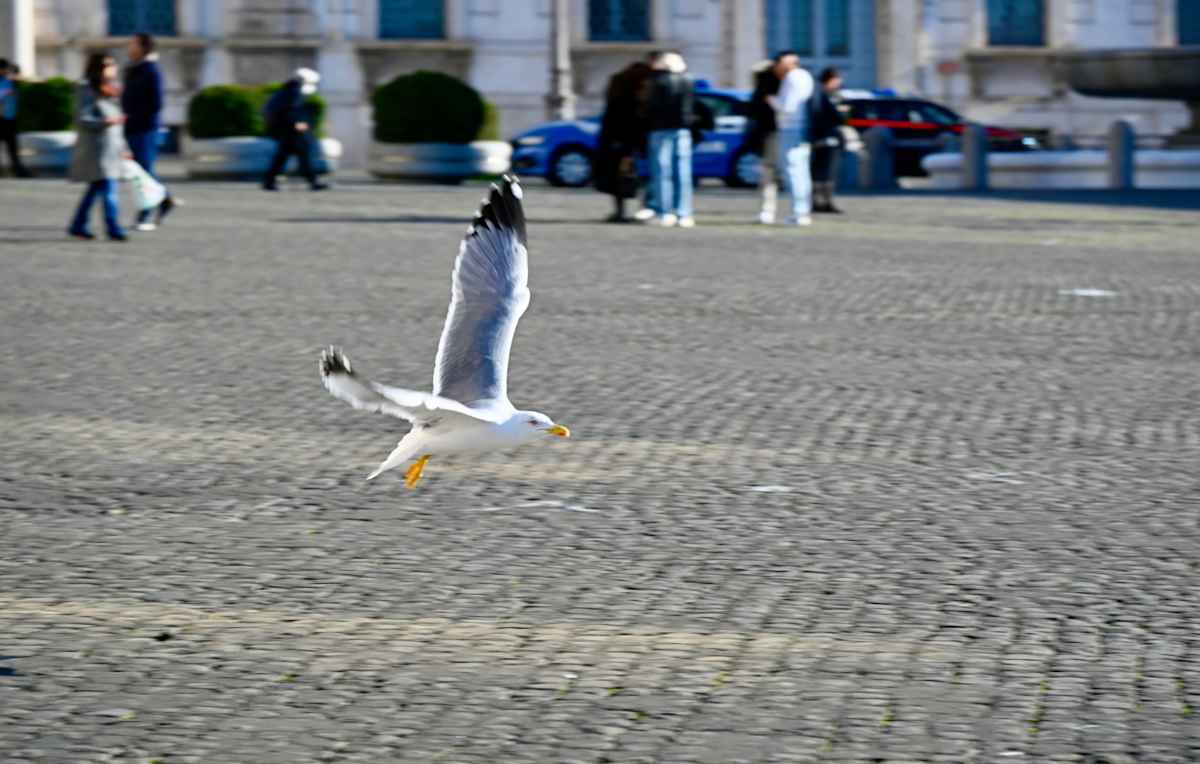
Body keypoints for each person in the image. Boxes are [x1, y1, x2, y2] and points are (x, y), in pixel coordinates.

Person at [68, 53, 128, 241]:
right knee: (108, 189)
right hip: (97, 149)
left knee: (96, 189)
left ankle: (78, 225)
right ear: (98, 68)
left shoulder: (112, 88)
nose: (113, 68)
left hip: (112, 147)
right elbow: (82, 118)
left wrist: (124, 147)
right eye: (109, 65)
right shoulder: (86, 88)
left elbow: (118, 123)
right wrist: (105, 122)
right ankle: (113, 228)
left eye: (113, 64)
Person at [122, 32, 176, 230]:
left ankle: (145, 214)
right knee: (143, 171)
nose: (129, 47)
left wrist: (136, 116)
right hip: (132, 127)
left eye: (133, 44)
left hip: (145, 128)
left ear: (144, 48)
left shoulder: (151, 71)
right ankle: (165, 200)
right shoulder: (133, 69)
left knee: (144, 172)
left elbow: (156, 103)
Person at [594, 59, 652, 222]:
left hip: (613, 142)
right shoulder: (636, 98)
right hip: (629, 143)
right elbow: (637, 123)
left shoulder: (617, 91)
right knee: (633, 177)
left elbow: (609, 121)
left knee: (618, 178)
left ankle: (620, 211)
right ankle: (641, 209)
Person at [644, 51, 695, 228]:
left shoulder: (657, 81)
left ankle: (664, 211)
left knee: (662, 171)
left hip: (660, 129)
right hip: (682, 128)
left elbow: (650, 106)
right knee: (683, 172)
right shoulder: (688, 80)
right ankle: (684, 212)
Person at [748, 50, 798, 224]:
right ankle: (768, 210)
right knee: (769, 171)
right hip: (771, 131)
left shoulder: (791, 81)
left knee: (787, 172)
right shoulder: (769, 83)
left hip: (785, 131)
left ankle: (794, 211)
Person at [261, 68, 328, 192]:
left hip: (287, 130)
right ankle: (313, 181)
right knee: (303, 155)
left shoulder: (286, 90)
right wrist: (298, 123)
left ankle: (269, 181)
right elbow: (292, 110)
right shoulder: (294, 92)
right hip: (294, 131)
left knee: (283, 157)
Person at [771, 61, 815, 226]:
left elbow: (787, 107)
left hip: (791, 127)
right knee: (803, 172)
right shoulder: (806, 75)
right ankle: (803, 210)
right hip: (804, 128)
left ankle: (799, 213)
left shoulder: (791, 77)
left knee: (793, 171)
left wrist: (771, 100)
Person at [810, 67, 845, 214]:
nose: (839, 82)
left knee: (820, 172)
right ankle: (824, 202)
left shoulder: (818, 93)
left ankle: (819, 201)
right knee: (827, 172)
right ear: (831, 80)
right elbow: (836, 117)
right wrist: (842, 113)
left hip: (821, 138)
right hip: (827, 138)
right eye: (837, 79)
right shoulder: (825, 95)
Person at [0, 58, 32, 178]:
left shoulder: (11, 81)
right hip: (3, 119)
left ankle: (17, 170)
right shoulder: (6, 82)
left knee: (12, 147)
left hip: (10, 118)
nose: (7, 71)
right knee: (11, 147)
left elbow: (21, 78)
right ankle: (16, 170)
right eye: (5, 69)